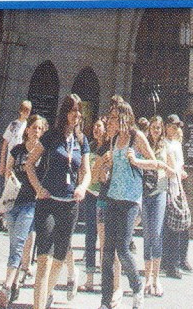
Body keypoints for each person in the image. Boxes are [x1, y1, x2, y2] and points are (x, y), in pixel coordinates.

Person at [25, 93, 90, 309]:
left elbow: (86, 172)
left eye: (79, 111)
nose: (77, 115)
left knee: (59, 259)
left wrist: (82, 187)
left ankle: (47, 295)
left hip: (70, 206)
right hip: (48, 203)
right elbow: (29, 163)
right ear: (65, 113)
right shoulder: (51, 136)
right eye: (73, 111)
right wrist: (38, 188)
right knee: (44, 260)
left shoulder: (82, 140)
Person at [97, 102, 156, 309]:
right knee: (107, 252)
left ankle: (137, 286)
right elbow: (108, 172)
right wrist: (104, 169)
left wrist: (137, 162)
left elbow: (154, 162)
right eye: (110, 117)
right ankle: (105, 301)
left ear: (124, 117)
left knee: (122, 248)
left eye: (114, 117)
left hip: (131, 200)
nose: (110, 121)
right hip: (113, 197)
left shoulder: (136, 137)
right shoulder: (113, 140)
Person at [0, 112, 44, 307]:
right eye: (35, 128)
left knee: (18, 243)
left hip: (30, 203)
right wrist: (11, 180)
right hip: (13, 202)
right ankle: (16, 280)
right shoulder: (17, 150)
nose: (37, 132)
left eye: (41, 129)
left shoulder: (42, 152)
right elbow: (8, 170)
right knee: (14, 243)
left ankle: (6, 287)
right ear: (28, 130)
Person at [142, 115, 174, 295]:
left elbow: (172, 169)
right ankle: (147, 278)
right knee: (147, 234)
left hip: (160, 190)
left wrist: (166, 170)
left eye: (158, 128)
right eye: (153, 127)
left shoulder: (165, 147)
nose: (155, 130)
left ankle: (156, 278)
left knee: (156, 233)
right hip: (145, 190)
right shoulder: (144, 144)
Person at [162, 116, 191, 279]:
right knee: (172, 226)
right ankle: (170, 264)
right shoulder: (164, 144)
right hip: (169, 186)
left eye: (178, 126)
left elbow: (179, 164)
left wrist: (182, 171)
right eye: (173, 126)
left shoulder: (177, 143)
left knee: (183, 224)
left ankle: (181, 258)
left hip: (178, 186)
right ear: (167, 126)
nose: (176, 129)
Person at [82, 116, 106, 294]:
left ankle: (105, 278)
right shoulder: (90, 147)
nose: (96, 129)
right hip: (90, 195)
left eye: (100, 126)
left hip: (103, 196)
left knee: (104, 240)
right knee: (90, 236)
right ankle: (89, 278)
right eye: (94, 126)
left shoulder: (108, 148)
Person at [0, 101, 32, 182]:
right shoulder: (14, 125)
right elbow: (5, 143)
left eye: (29, 110)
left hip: (21, 162)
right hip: (10, 160)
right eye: (25, 110)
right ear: (20, 111)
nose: (27, 112)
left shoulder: (29, 126)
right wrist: (2, 163)